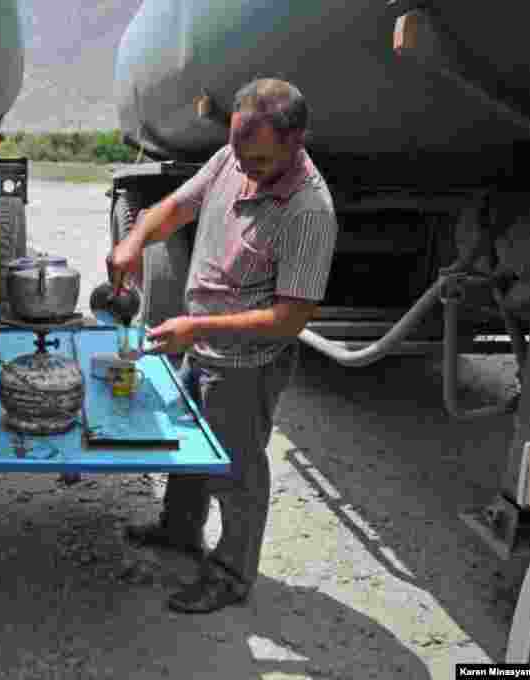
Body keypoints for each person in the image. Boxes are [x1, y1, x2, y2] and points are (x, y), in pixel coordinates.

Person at [108, 78, 339, 613]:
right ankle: (179, 530)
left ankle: (232, 575)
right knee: (188, 446)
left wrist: (198, 329)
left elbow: (291, 318)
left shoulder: (308, 212)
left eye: (257, 159)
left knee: (235, 471)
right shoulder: (232, 159)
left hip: (246, 362)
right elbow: (176, 208)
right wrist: (134, 240)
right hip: (202, 340)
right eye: (239, 152)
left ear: (296, 140)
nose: (245, 169)